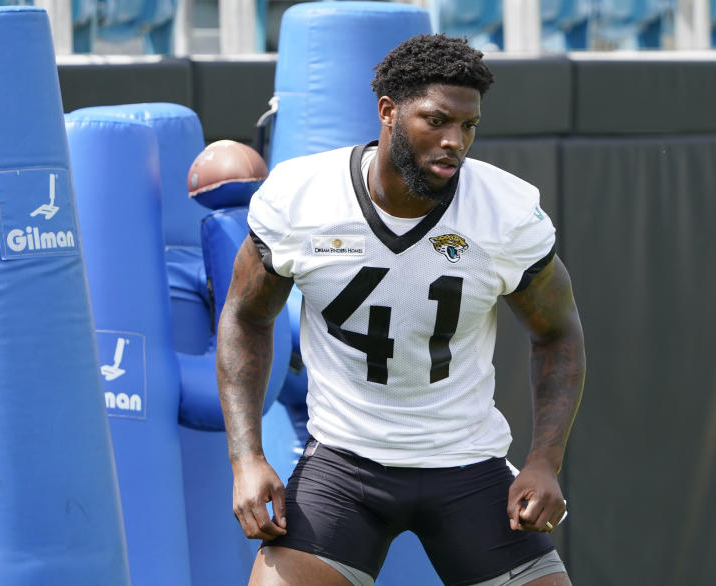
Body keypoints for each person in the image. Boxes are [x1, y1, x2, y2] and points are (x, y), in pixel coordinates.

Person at [216, 33, 586, 586]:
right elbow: (246, 317)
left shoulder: (504, 211)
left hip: (467, 464)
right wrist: (246, 459)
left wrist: (544, 460)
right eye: (436, 121)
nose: (454, 142)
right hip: (345, 462)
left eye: (468, 126)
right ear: (388, 112)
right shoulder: (302, 197)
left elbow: (558, 332)